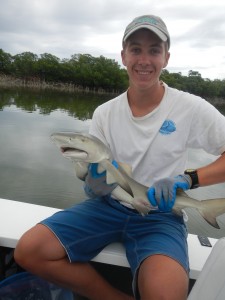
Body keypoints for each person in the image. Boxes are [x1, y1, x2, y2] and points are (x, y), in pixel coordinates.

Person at [14, 14, 225, 300]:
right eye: (135, 49)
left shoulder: (191, 108)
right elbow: (90, 172)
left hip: (161, 215)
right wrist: (92, 184)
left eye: (154, 50)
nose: (144, 59)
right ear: (123, 56)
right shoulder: (104, 113)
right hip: (108, 206)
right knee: (29, 251)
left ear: (166, 57)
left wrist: (188, 179)